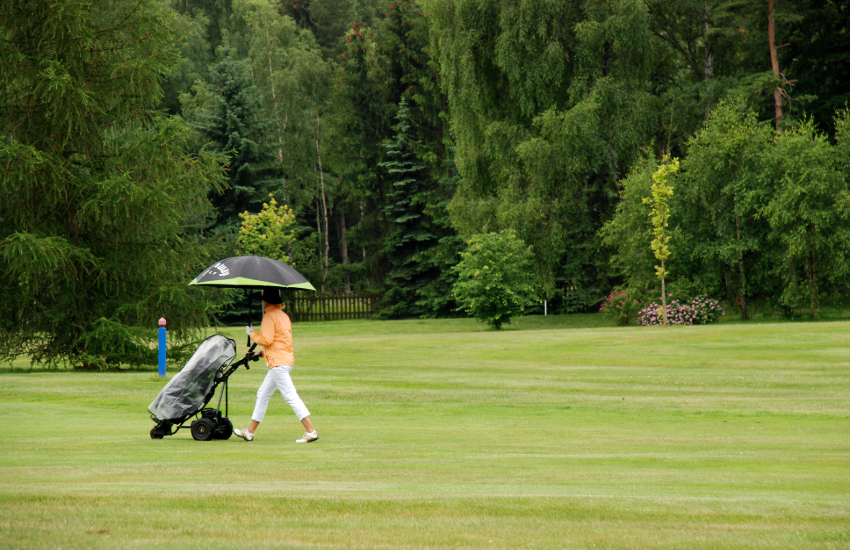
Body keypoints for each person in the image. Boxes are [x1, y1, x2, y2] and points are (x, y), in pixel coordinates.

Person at [233, 288, 318, 443]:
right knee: (263, 393)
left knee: (290, 396)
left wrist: (252, 333)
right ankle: (250, 432)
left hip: (278, 362)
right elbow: (280, 340)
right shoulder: (284, 316)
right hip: (284, 360)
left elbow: (266, 339)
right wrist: (264, 352)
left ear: (266, 301)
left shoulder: (269, 316)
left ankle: (311, 431)